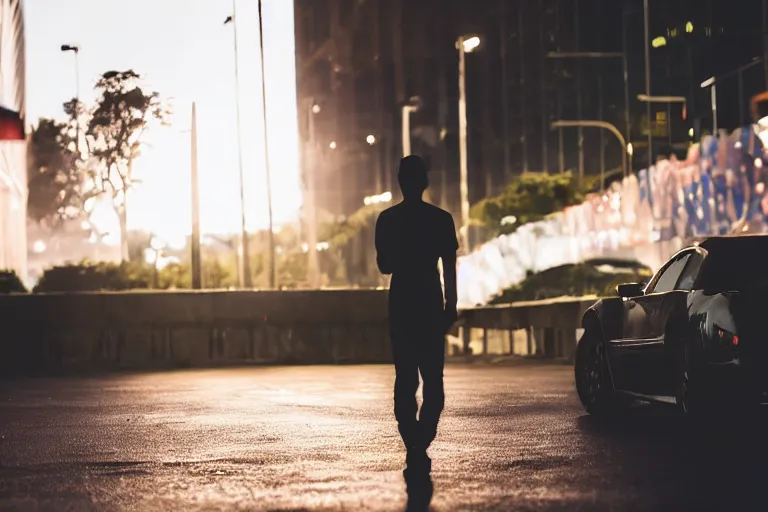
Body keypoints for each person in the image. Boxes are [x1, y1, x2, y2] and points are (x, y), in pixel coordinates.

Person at [374, 155, 459, 477]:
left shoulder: (387, 219)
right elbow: (449, 267)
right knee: (433, 378)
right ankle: (423, 436)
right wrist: (451, 305)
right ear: (424, 182)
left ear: (400, 182)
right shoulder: (441, 219)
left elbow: (385, 267)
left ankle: (411, 437)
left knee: (405, 375)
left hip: (401, 303)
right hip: (429, 302)